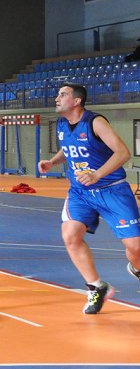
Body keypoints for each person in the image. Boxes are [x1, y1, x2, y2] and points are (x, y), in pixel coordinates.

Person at [38, 82, 140, 314]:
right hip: (81, 192)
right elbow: (69, 147)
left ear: (77, 101)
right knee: (70, 235)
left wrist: (97, 174)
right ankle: (96, 286)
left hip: (112, 189)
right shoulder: (62, 124)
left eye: (62, 94)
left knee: (135, 248)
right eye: (57, 94)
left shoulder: (95, 122)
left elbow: (123, 152)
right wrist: (53, 162)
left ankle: (137, 268)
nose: (57, 98)